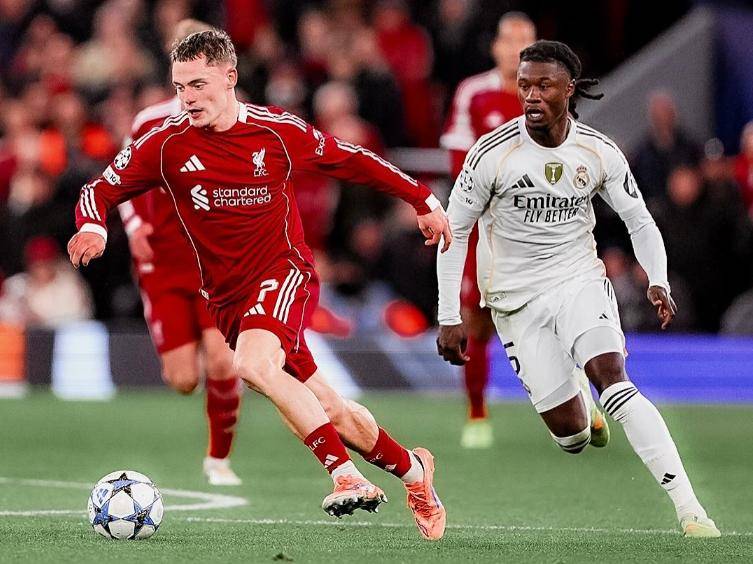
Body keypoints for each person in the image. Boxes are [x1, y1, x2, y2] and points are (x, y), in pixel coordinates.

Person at [67, 29, 449, 540]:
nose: (187, 98)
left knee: (251, 365)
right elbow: (99, 189)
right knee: (329, 408)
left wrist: (422, 198)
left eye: (198, 85)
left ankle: (345, 475)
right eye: (179, 87)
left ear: (230, 78)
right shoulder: (165, 144)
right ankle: (414, 472)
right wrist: (92, 225)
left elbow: (352, 159)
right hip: (227, 298)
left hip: (283, 272)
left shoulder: (276, 132)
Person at [436, 40, 720, 538]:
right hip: (515, 302)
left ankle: (690, 509)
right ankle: (580, 404)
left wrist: (657, 278)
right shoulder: (491, 154)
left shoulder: (598, 151)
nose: (531, 95)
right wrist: (448, 315)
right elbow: (453, 231)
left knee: (614, 381)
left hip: (578, 280)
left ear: (569, 89)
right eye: (524, 85)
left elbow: (639, 219)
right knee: (571, 436)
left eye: (544, 85)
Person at [440, 12, 606, 449]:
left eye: (525, 40)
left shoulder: (548, 92)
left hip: (543, 224)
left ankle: (579, 394)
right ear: (495, 47)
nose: (516, 48)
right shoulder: (474, 93)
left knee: (559, 310)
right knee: (476, 319)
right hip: (488, 227)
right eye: (509, 40)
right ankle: (477, 413)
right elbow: (459, 159)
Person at [117, 19, 243, 487]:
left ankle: (218, 459)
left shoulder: (235, 120)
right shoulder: (150, 122)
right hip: (163, 263)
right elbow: (121, 178)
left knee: (223, 361)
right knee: (183, 380)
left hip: (214, 264)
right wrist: (134, 226)